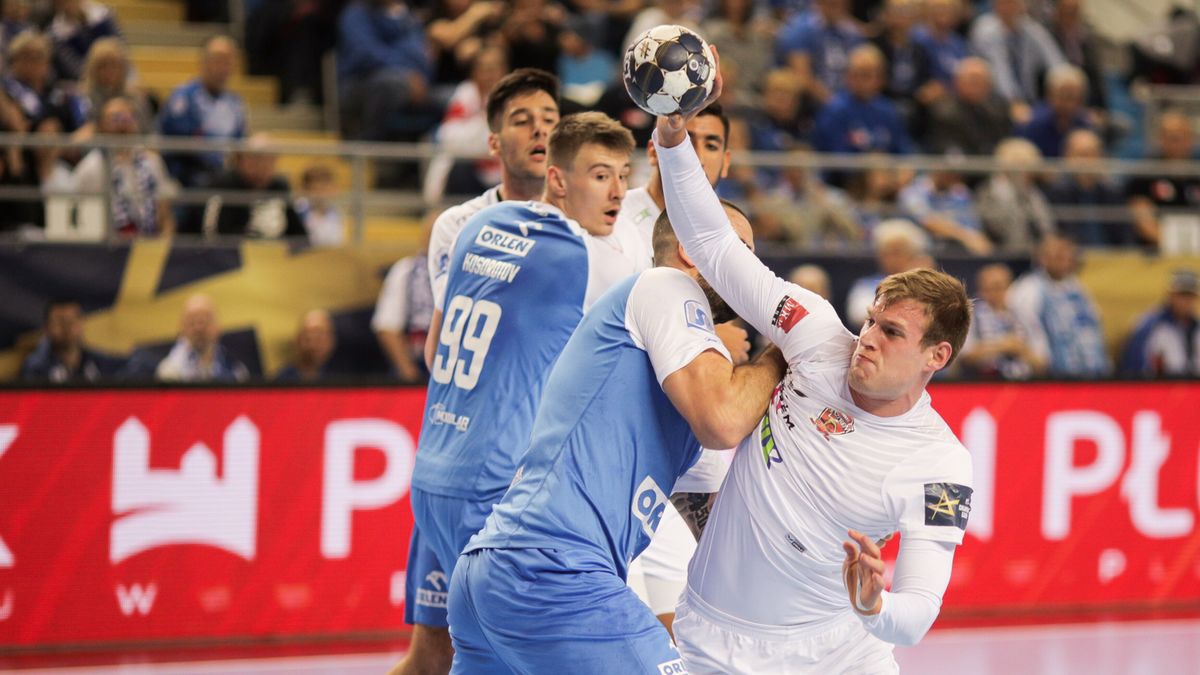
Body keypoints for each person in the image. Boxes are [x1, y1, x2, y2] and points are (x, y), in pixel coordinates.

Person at [653, 63, 976, 673]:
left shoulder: (940, 464)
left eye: (892, 332)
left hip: (841, 654)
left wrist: (875, 606)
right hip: (713, 644)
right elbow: (718, 248)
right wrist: (673, 140)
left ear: (937, 357)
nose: (868, 339)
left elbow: (919, 613)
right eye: (873, 318)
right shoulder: (816, 331)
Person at [446, 201, 786, 673]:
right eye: (741, 249)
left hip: (496, 569)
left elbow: (708, 521)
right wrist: (782, 354)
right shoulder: (666, 285)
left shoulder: (690, 370)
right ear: (689, 250)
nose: (754, 269)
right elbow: (725, 420)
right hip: (553, 569)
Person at [396, 111, 635, 675]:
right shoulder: (594, 258)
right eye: (601, 176)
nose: (619, 192)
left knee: (457, 659)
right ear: (558, 179)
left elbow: (434, 349)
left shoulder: (483, 224)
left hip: (433, 473)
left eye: (624, 175)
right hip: (492, 492)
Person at [612, 101, 732, 633]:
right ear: (657, 147)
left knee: (696, 624)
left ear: (726, 161)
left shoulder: (727, 231)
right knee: (654, 630)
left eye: (711, 144)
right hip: (629, 450)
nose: (696, 154)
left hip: (694, 452)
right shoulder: (616, 216)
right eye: (689, 138)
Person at [422, 67, 561, 373]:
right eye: (522, 121)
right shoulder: (459, 224)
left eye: (550, 120)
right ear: (494, 143)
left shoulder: (584, 225)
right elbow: (450, 337)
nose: (539, 129)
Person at [68, 96, 177, 237]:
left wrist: (164, 244)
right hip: (106, 248)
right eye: (115, 118)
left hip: (148, 246)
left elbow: (165, 216)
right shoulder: (89, 169)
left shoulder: (152, 161)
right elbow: (77, 222)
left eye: (129, 118)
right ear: (101, 127)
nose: (123, 124)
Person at [1008, 234, 1110, 377]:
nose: (1065, 260)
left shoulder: (1076, 287)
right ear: (1042, 258)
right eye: (1058, 256)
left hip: (1090, 373)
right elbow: (1028, 329)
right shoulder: (1028, 289)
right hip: (1055, 376)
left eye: (1067, 255)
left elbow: (1094, 323)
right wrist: (1041, 362)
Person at [157, 35, 246, 188]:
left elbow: (240, 143)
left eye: (229, 61)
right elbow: (182, 142)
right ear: (203, 63)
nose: (223, 67)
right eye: (218, 60)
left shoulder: (235, 104)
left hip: (223, 173)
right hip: (186, 173)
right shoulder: (183, 97)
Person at [190, 132, 306, 239]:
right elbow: (213, 236)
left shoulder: (280, 186)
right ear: (242, 160)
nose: (263, 167)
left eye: (270, 160)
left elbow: (298, 234)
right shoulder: (222, 186)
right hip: (231, 257)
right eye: (256, 159)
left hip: (273, 257)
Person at [374, 217, 434, 385]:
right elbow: (387, 328)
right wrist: (409, 375)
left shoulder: (465, 272)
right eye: (433, 234)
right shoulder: (406, 270)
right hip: (413, 367)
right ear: (424, 238)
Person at [959, 262, 1045, 379]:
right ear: (981, 289)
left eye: (999, 287)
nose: (994, 293)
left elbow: (1042, 361)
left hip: (1024, 383)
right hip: (982, 383)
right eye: (988, 288)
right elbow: (964, 355)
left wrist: (1021, 350)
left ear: (1009, 286)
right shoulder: (971, 315)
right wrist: (1003, 345)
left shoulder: (1024, 315)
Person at [845, 218, 931, 327]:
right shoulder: (865, 285)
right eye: (886, 252)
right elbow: (861, 316)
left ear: (913, 254)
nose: (892, 259)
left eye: (898, 252)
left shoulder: (925, 286)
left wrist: (922, 282)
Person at [1119, 269, 1199, 377]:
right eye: (1181, 295)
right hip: (1159, 389)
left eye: (1190, 295)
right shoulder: (1150, 326)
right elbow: (1133, 367)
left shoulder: (1196, 328)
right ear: (1170, 295)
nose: (1186, 301)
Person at [155, 293, 249, 382]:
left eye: (205, 320)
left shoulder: (236, 370)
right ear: (182, 329)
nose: (199, 328)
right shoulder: (168, 372)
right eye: (192, 322)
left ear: (218, 327)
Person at [20, 298, 113, 382]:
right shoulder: (36, 368)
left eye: (72, 321)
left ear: (82, 323)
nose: (67, 328)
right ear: (46, 329)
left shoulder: (98, 362)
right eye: (59, 322)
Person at [275, 309, 337, 382]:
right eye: (308, 336)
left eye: (319, 336)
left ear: (331, 341)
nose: (314, 343)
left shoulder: (339, 380)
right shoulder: (281, 380)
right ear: (297, 340)